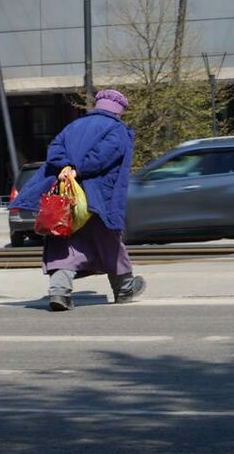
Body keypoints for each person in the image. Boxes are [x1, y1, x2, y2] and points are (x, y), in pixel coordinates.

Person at [9, 89, 145, 311]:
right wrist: (78, 170)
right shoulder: (118, 130)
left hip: (65, 197)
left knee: (63, 242)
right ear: (118, 111)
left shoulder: (72, 126)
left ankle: (59, 292)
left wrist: (65, 167)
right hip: (98, 197)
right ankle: (124, 289)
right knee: (108, 241)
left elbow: (55, 150)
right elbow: (102, 157)